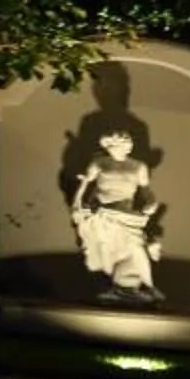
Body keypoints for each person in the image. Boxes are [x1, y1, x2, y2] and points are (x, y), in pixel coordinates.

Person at [70, 126, 164, 304]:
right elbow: (85, 185)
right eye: (121, 142)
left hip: (127, 215)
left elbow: (146, 191)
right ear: (110, 145)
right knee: (114, 252)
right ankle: (129, 288)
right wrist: (77, 206)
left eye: (127, 142)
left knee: (137, 248)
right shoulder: (100, 163)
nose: (126, 145)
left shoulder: (138, 166)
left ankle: (147, 286)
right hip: (104, 214)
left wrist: (152, 202)